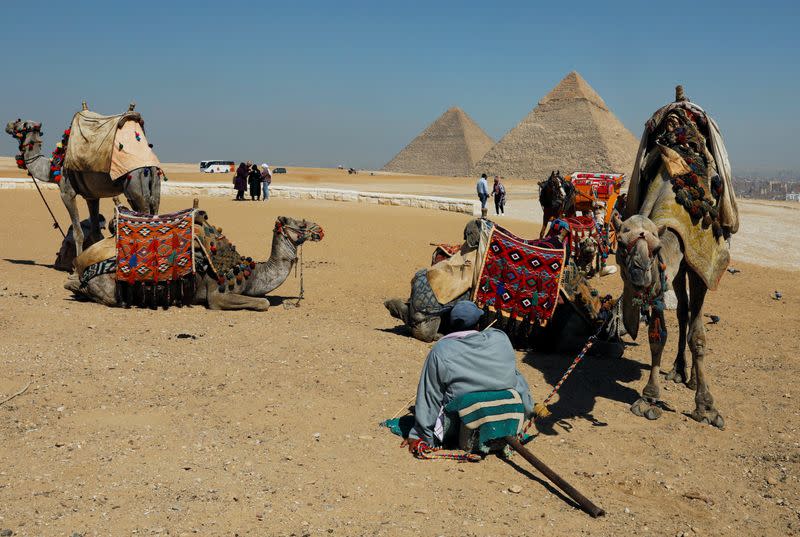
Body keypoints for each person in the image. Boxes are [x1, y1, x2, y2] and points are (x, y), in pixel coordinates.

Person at [405, 301, 534, 450]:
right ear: (479, 325)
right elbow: (516, 381)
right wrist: (528, 411)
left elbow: (430, 395)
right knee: (514, 374)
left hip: (462, 426)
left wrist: (421, 436)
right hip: (508, 418)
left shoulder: (441, 350)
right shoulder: (500, 339)